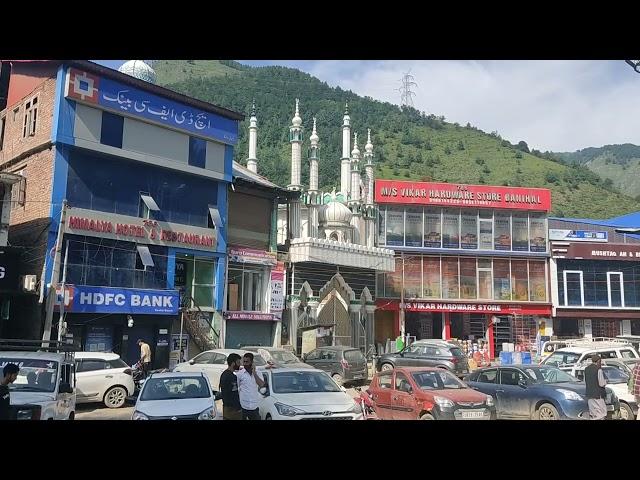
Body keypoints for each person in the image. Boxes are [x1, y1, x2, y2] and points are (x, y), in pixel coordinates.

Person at [237, 352, 266, 420]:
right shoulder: (240, 374)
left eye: (247, 362)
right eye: (244, 361)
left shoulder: (258, 373)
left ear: (252, 362)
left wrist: (254, 373)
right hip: (243, 406)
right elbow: (237, 387)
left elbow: (261, 384)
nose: (245, 364)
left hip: (254, 406)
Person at [219, 353, 242, 420]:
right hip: (232, 410)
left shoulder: (224, 374)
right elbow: (233, 394)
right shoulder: (231, 377)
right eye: (238, 362)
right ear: (233, 363)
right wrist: (238, 408)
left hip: (227, 408)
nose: (239, 364)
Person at [584, 354, 607, 420]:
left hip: (589, 394)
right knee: (602, 413)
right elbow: (601, 383)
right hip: (598, 395)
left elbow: (585, 381)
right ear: (598, 361)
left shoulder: (586, 369)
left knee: (593, 413)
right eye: (600, 362)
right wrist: (606, 382)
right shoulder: (598, 370)